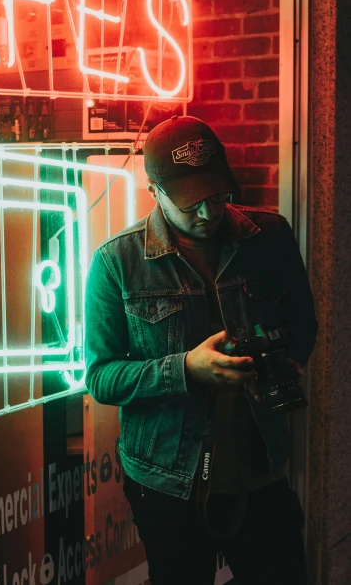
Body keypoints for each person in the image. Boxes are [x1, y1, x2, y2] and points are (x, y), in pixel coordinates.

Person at [84, 116, 318, 585]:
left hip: (262, 467)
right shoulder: (117, 262)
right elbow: (101, 378)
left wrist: (284, 359)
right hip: (167, 479)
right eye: (192, 203)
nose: (209, 213)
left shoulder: (269, 236)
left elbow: (304, 326)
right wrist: (187, 369)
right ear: (155, 192)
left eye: (217, 195)